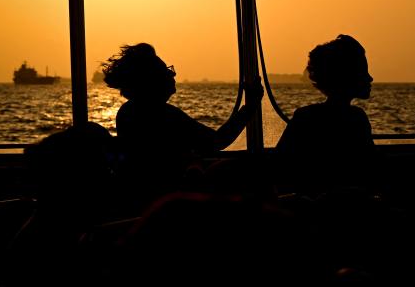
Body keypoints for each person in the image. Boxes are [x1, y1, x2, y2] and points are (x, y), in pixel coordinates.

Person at [102, 43, 262, 191]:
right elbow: (216, 141)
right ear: (151, 80)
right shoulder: (162, 114)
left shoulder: (128, 111)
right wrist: (251, 106)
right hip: (168, 193)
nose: (173, 74)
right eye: (166, 71)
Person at [276, 34, 376, 195]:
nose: (370, 78)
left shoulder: (305, 116)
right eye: (363, 71)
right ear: (345, 76)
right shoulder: (356, 119)